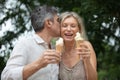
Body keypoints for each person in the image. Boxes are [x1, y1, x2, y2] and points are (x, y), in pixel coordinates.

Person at [1, 5, 61, 80]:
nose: (61, 24)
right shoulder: (25, 44)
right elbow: (6, 76)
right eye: (58, 20)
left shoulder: (55, 48)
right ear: (49, 22)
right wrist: (38, 64)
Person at [56, 12, 97, 80]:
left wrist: (87, 61)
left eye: (73, 26)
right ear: (59, 29)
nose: (68, 29)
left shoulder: (86, 46)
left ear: (79, 29)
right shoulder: (55, 49)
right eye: (64, 26)